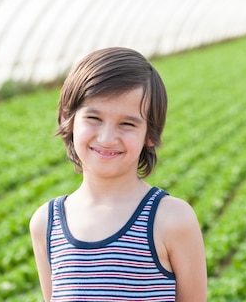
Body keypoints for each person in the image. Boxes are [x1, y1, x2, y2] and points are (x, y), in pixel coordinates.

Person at [29, 47, 207, 302]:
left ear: (150, 134)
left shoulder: (172, 220)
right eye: (94, 118)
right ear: (67, 119)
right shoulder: (47, 223)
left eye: (127, 124)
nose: (107, 138)